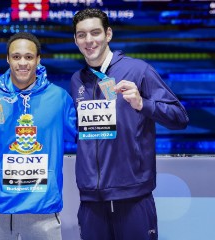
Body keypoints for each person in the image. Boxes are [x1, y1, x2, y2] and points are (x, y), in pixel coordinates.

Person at [70, 8, 189, 240]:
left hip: (133, 196)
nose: (89, 40)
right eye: (82, 35)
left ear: (108, 34)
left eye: (95, 33)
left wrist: (142, 103)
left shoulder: (138, 70)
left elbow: (180, 117)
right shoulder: (77, 80)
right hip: (91, 201)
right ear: (75, 40)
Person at [0, 32, 77, 240]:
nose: (22, 63)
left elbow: (86, 137)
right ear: (7, 59)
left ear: (38, 59)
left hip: (44, 214)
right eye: (16, 57)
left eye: (29, 57)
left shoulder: (59, 98)